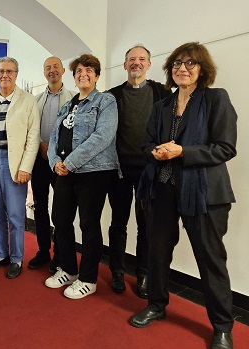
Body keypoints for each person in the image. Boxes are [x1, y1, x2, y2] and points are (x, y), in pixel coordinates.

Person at [129, 42, 237, 349]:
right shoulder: (163, 105)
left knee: (211, 260)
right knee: (157, 253)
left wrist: (182, 152)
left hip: (202, 193)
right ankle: (157, 305)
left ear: (202, 69)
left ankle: (222, 328)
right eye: (177, 63)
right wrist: (156, 151)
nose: (182, 68)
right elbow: (147, 143)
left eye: (190, 63)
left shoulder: (216, 99)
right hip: (162, 189)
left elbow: (225, 148)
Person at [44, 54, 119, 299]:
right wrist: (55, 162)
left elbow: (103, 137)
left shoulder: (105, 101)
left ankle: (88, 279)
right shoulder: (68, 104)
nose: (83, 74)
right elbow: (55, 136)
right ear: (73, 76)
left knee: (88, 224)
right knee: (61, 220)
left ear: (97, 75)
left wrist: (71, 162)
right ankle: (68, 269)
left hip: (94, 172)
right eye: (78, 71)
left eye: (88, 70)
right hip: (65, 170)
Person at [106, 45, 171, 296]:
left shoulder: (162, 93)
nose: (136, 63)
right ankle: (117, 272)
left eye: (141, 59)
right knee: (118, 223)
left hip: (149, 173)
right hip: (119, 171)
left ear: (149, 64)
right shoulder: (111, 96)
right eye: (131, 59)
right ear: (124, 65)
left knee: (146, 225)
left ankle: (143, 274)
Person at [0, 57, 40, 279]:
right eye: (1, 71)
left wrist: (25, 168)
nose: (5, 75)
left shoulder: (28, 101)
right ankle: (1, 255)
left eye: (9, 71)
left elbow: (33, 138)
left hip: (15, 163)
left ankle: (17, 259)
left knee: (15, 215)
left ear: (16, 74)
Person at [29, 56, 75, 273]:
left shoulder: (74, 99)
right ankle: (43, 250)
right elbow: (30, 129)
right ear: (44, 72)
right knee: (40, 206)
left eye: (56, 66)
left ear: (63, 70)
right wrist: (40, 145)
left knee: (62, 210)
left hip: (62, 162)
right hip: (39, 160)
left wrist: (54, 151)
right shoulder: (35, 100)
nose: (52, 70)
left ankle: (60, 253)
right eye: (48, 67)